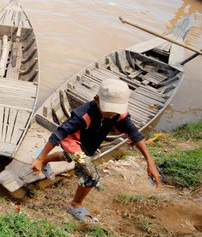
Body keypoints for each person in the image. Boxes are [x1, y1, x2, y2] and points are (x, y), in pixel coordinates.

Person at [30, 79, 161, 224]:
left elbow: (134, 134)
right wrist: (40, 157)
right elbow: (59, 133)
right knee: (92, 176)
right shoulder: (83, 115)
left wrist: (150, 162)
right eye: (108, 110)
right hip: (73, 142)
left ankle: (45, 160)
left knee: (69, 157)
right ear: (96, 100)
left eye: (115, 112)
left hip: (91, 142)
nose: (112, 115)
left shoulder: (119, 114)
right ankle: (75, 205)